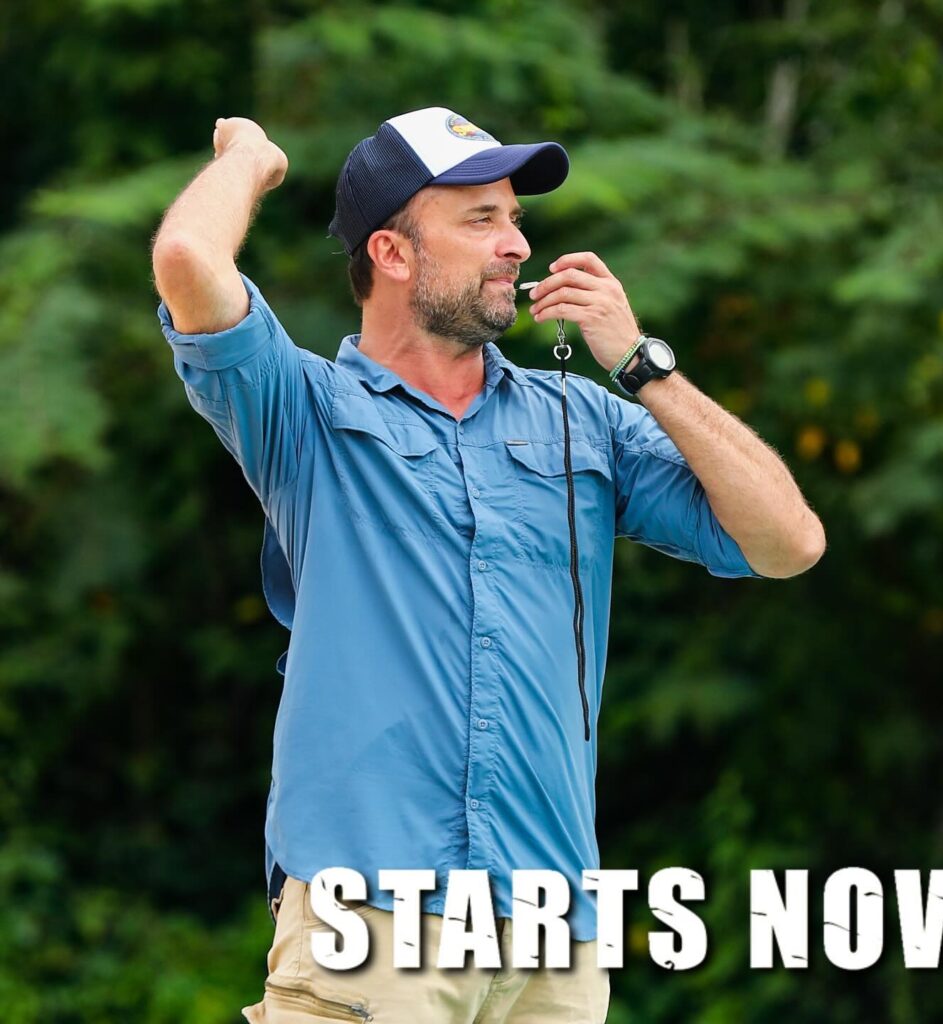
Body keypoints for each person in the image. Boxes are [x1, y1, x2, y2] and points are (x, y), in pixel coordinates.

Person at [151, 106, 826, 1023]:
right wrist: (249, 157)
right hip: (369, 920)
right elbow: (188, 256)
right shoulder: (303, 411)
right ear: (391, 253)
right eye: (481, 219)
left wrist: (643, 365)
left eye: (515, 218)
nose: (516, 245)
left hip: (553, 937)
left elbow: (788, 542)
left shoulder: (583, 420)